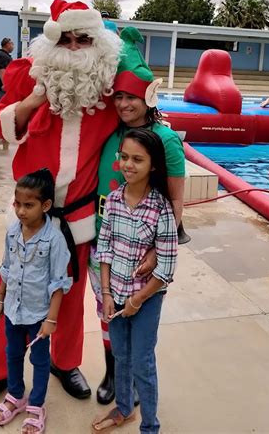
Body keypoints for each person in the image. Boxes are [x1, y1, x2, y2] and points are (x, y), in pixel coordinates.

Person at [0, 0, 122, 417]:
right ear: (50, 42)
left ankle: (63, 363)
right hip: (33, 215)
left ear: (96, 42)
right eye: (63, 39)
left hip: (80, 216)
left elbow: (142, 109)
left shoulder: (109, 81)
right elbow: (0, 125)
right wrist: (32, 101)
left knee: (68, 295)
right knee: (11, 291)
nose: (72, 47)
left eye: (81, 39)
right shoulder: (25, 74)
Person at [89, 27, 188, 407]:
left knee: (135, 319)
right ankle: (114, 373)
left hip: (143, 249)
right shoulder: (111, 134)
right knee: (107, 312)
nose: (124, 104)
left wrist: (157, 254)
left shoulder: (165, 140)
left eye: (132, 97)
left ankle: (131, 381)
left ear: (147, 97)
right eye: (119, 96)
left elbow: (176, 204)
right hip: (105, 242)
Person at [92, 128, 178, 434]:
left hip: (146, 300)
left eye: (137, 159)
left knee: (142, 362)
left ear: (153, 165)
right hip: (114, 296)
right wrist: (106, 294)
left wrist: (137, 300)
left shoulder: (161, 209)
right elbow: (103, 249)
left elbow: (166, 268)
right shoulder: (113, 200)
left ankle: (150, 426)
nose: (128, 164)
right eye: (124, 157)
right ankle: (125, 409)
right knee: (120, 355)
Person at [0, 169, 72, 433]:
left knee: (39, 361)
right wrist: (0, 299)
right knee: (12, 354)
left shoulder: (54, 240)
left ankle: (36, 405)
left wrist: (51, 320)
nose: (21, 211)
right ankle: (15, 395)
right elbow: (6, 267)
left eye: (29, 205)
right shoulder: (13, 231)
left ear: (45, 205)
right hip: (13, 311)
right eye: (17, 204)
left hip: (38, 316)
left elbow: (58, 283)